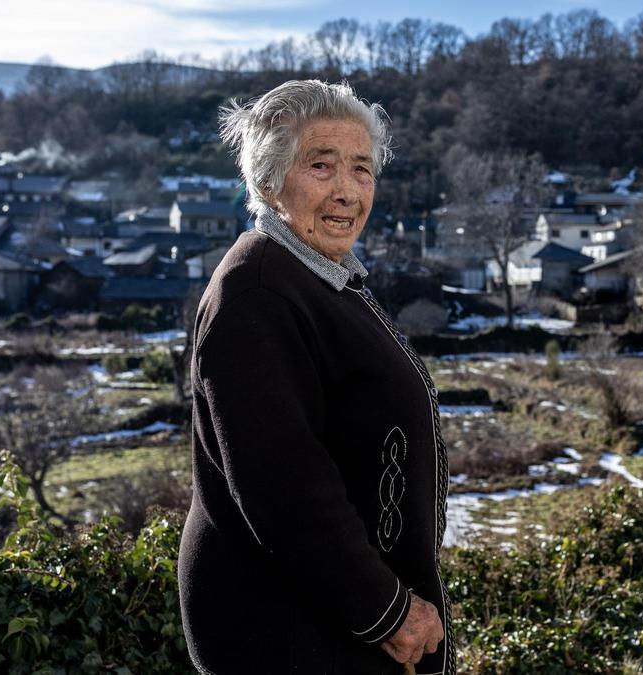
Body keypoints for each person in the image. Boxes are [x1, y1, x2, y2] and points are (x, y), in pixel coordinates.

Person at [178, 79, 452, 674]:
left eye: (362, 169)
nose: (347, 192)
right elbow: (283, 486)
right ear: (269, 182)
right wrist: (386, 612)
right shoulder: (255, 293)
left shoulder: (318, 277)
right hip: (292, 632)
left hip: (333, 620)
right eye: (321, 165)